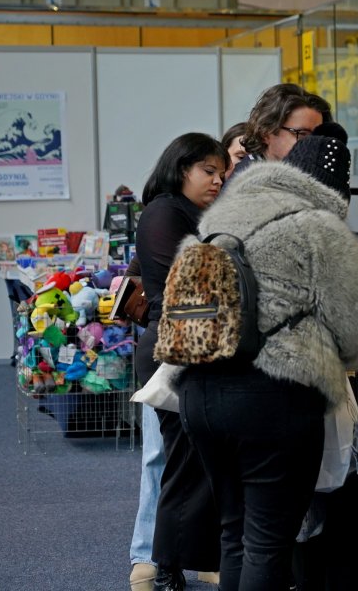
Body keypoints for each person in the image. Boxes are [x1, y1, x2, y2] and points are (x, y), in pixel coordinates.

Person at [178, 123, 358, 591]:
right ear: (333, 189)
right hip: (273, 397)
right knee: (269, 542)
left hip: (199, 389)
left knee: (233, 532)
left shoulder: (219, 217)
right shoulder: (319, 227)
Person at [129, 133, 226, 591]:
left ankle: (179, 563)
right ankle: (164, 568)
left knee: (193, 464)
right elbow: (185, 286)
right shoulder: (165, 211)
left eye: (221, 172)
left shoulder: (194, 213)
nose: (218, 179)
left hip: (192, 351)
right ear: (181, 167)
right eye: (209, 170)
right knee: (180, 466)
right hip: (174, 354)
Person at [227, 83, 332, 184]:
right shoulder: (248, 184)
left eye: (318, 135)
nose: (314, 142)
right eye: (302, 134)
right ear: (265, 133)